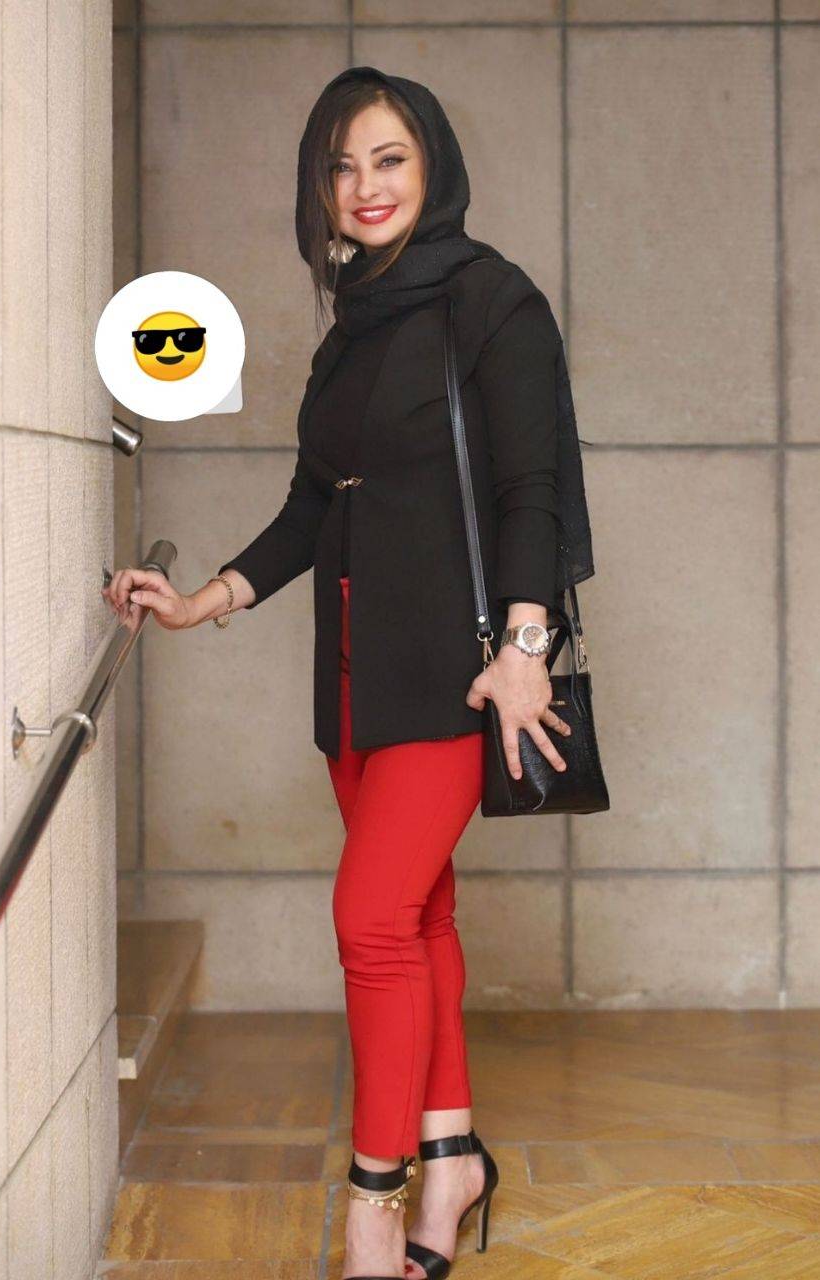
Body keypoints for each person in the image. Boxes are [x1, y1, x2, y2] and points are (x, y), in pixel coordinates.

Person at [105, 66, 595, 1280]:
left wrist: (525, 649)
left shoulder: (493, 300)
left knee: (371, 921)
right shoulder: (349, 333)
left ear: (433, 167)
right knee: (418, 916)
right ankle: (453, 1159)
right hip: (352, 677)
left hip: (455, 674)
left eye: (389, 158)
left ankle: (376, 1205)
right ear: (318, 190)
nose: (365, 186)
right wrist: (204, 598)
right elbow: (313, 505)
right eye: (341, 166)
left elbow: (532, 486)